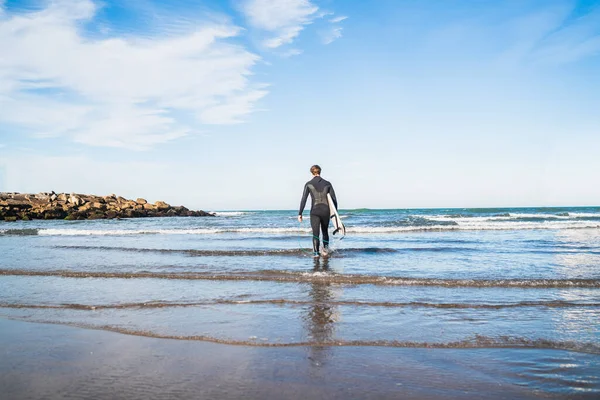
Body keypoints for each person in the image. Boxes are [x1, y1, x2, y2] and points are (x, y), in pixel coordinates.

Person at [298, 165, 338, 257]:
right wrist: (335, 213)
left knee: (315, 234)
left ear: (311, 172)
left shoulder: (308, 184)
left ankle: (316, 253)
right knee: (325, 232)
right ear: (320, 171)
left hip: (315, 212)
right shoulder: (328, 183)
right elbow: (334, 199)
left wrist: (300, 213)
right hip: (325, 211)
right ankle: (326, 251)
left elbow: (303, 199)